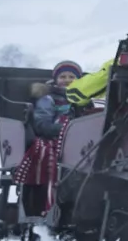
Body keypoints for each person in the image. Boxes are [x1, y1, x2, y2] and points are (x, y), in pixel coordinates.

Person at [16, 60, 84, 216]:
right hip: (55, 138)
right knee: (45, 153)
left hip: (80, 140)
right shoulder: (49, 99)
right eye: (63, 76)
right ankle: (48, 201)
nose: (67, 80)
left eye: (71, 77)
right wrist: (66, 129)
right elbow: (42, 124)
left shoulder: (83, 98)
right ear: (55, 79)